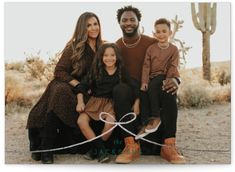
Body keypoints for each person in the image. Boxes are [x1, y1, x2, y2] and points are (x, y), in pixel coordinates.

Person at [26, 12, 103, 164]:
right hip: (67, 83)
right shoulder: (74, 46)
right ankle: (46, 149)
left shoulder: (103, 47)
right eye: (89, 25)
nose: (93, 28)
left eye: (95, 24)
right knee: (60, 92)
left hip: (86, 90)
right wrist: (76, 84)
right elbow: (59, 71)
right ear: (82, 28)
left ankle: (45, 146)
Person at [114, 5, 185, 164]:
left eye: (132, 19)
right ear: (119, 23)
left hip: (153, 85)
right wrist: (138, 97)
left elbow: (171, 64)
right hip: (131, 88)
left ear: (139, 21)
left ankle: (168, 146)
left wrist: (175, 80)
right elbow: (118, 74)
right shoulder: (117, 46)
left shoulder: (152, 43)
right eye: (124, 20)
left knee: (167, 87)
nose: (128, 23)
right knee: (119, 90)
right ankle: (131, 146)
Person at [136, 18, 180, 139]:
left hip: (164, 76)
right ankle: (145, 123)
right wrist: (144, 82)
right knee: (143, 93)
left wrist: (169, 78)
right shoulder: (151, 49)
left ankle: (156, 117)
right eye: (158, 32)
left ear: (170, 33)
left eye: (164, 31)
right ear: (154, 34)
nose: (161, 34)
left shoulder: (173, 49)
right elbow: (146, 66)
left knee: (155, 85)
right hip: (151, 77)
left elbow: (173, 65)